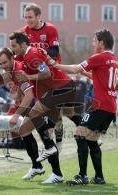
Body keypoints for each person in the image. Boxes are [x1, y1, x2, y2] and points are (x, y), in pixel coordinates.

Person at [54, 29, 118, 185]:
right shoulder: (114, 58)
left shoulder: (99, 57)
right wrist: (87, 75)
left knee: (79, 133)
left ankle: (82, 175)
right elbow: (101, 76)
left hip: (100, 106)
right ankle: (99, 177)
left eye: (95, 41)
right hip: (110, 107)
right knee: (91, 139)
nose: (93, 43)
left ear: (102, 43)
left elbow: (76, 68)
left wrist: (55, 65)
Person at [22, 2, 86, 154]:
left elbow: (54, 50)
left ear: (39, 16)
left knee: (68, 113)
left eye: (30, 17)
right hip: (42, 81)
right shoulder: (24, 32)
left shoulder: (50, 29)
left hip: (56, 78)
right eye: (25, 17)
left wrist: (41, 55)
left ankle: (86, 131)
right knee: (56, 116)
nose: (28, 21)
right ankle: (58, 144)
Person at [0, 47, 64, 184]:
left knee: (47, 138)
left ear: (12, 59)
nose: (3, 66)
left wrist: (16, 115)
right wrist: (18, 97)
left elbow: (29, 95)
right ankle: (37, 166)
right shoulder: (13, 70)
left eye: (5, 62)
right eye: (0, 64)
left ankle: (57, 174)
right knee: (24, 131)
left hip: (47, 99)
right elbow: (25, 90)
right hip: (39, 101)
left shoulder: (18, 70)